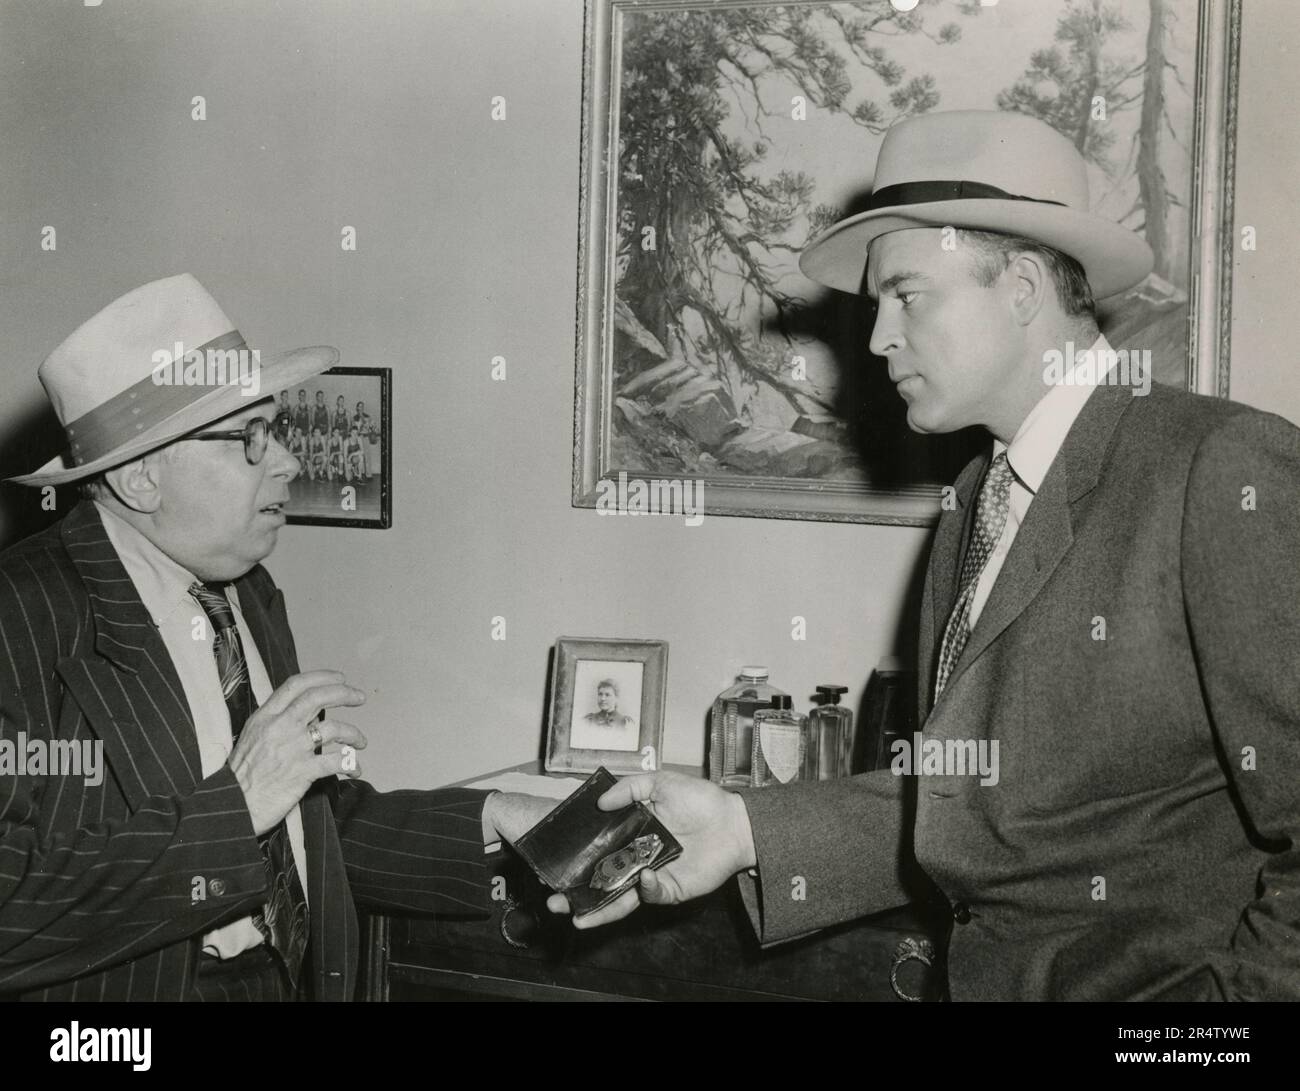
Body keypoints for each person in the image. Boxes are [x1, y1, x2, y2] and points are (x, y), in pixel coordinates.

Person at [549, 111, 1300, 1002]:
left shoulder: (1219, 467)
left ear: (1021, 286)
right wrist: (743, 827)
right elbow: (965, 798)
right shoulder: (976, 502)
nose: (876, 340)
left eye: (908, 296)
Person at [0, 274, 551, 1000]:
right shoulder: (21, 614)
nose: (289, 461)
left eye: (278, 430)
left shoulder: (243, 590)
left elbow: (308, 826)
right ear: (139, 479)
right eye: (250, 438)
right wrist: (238, 802)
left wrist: (498, 820)